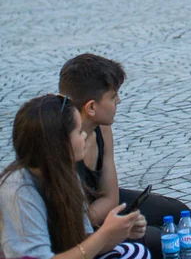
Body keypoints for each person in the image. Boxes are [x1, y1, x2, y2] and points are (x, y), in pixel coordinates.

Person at [58, 53, 191, 259]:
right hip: (80, 232)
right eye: (113, 97)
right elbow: (73, 223)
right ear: (92, 107)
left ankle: (155, 234)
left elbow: (111, 195)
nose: (119, 101)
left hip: (99, 207)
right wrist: (114, 228)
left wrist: (114, 215)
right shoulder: (57, 145)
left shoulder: (100, 126)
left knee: (180, 214)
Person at [0, 94, 150, 259]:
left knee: (135, 251)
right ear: (60, 143)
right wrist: (104, 234)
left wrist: (119, 232)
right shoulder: (18, 190)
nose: (85, 136)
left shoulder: (65, 174)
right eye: (79, 131)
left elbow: (82, 241)